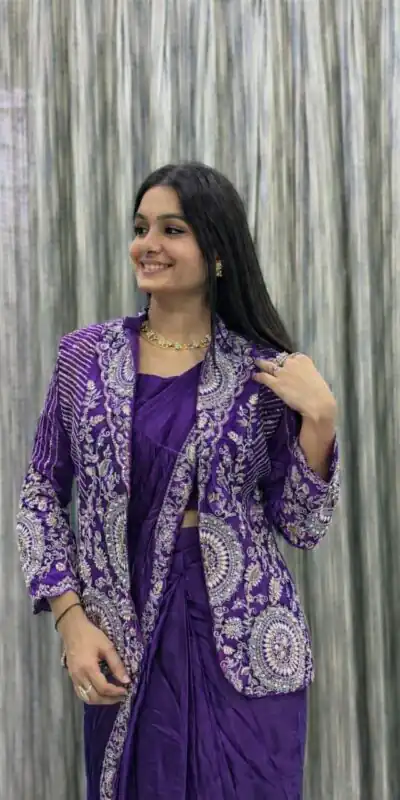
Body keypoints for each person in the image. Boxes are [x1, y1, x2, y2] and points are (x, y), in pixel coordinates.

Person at [16, 162, 339, 800]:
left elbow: (302, 526)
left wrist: (321, 422)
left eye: (172, 229)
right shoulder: (86, 358)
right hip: (124, 633)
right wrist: (71, 620)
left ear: (217, 252)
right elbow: (41, 495)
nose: (148, 244)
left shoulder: (263, 374)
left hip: (243, 640)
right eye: (141, 228)